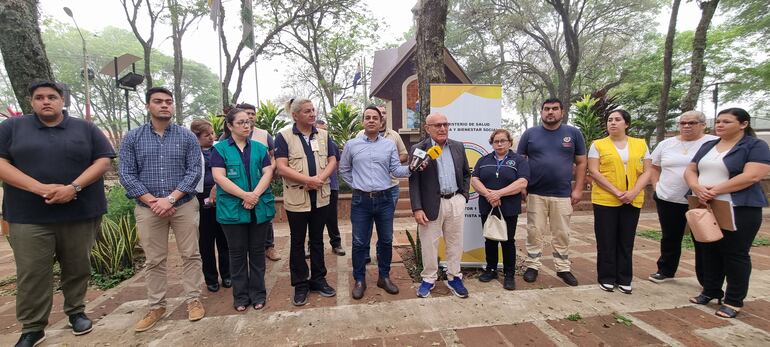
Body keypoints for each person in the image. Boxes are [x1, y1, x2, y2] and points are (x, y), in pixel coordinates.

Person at [0, 80, 114, 347]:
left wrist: (73, 187)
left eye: (52, 96)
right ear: (32, 102)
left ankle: (76, 312)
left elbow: (103, 160)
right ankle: (33, 327)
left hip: (79, 212)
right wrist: (38, 188)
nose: (46, 101)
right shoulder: (13, 128)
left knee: (78, 266)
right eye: (39, 97)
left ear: (63, 100)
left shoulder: (85, 129)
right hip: (29, 216)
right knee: (32, 272)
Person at [119, 87, 205, 332]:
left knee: (191, 254)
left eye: (169, 101)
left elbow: (193, 171)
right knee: (154, 259)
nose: (165, 105)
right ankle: (156, 305)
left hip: (183, 205)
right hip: (148, 209)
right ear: (148, 106)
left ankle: (193, 300)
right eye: (158, 102)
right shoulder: (133, 138)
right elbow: (126, 174)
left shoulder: (187, 136)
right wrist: (153, 201)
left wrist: (170, 199)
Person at [684, 108, 770, 319]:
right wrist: (697, 187)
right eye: (719, 121)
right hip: (705, 205)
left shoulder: (755, 145)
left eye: (727, 122)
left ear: (743, 124)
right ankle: (710, 290)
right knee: (708, 250)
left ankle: (733, 300)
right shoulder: (709, 145)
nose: (720, 125)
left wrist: (715, 190)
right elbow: (691, 169)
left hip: (738, 207)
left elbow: (753, 175)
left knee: (735, 253)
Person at [339, 106, 411, 299]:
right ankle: (360, 280)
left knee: (386, 240)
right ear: (363, 121)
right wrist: (357, 184)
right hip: (360, 201)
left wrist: (412, 168)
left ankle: (384, 277)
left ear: (381, 122)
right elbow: (344, 169)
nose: (371, 120)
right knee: (359, 242)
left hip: (385, 199)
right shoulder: (351, 145)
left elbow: (396, 170)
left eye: (375, 118)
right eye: (367, 117)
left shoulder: (389, 145)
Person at [275, 98, 339, 306]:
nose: (312, 114)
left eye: (313, 110)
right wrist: (307, 180)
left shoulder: (323, 135)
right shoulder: (284, 137)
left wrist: (320, 179)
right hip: (297, 198)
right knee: (297, 241)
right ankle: (301, 284)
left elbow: (332, 160)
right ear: (295, 115)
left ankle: (319, 279)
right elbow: (281, 167)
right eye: (306, 111)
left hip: (320, 197)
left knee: (318, 240)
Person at [516, 98, 586, 286]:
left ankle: (563, 267)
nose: (550, 112)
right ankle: (532, 266)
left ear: (562, 112)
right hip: (535, 193)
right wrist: (522, 185)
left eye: (555, 109)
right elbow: (520, 160)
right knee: (534, 231)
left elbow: (581, 162)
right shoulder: (530, 134)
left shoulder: (573, 134)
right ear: (541, 112)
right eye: (546, 109)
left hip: (563, 194)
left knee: (562, 233)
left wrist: (578, 189)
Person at [211, 108, 275, 311]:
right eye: (241, 122)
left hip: (258, 208)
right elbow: (219, 177)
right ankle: (240, 297)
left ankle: (258, 294)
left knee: (257, 252)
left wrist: (254, 194)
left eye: (248, 122)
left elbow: (267, 172)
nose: (247, 125)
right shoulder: (220, 149)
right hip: (233, 209)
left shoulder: (258, 147)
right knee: (237, 254)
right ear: (230, 126)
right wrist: (245, 195)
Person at [587, 109, 652, 294]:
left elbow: (647, 171)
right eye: (609, 120)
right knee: (606, 239)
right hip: (606, 199)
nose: (613, 123)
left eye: (617, 120)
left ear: (627, 124)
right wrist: (616, 191)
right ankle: (606, 277)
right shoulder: (598, 145)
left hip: (632, 199)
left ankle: (624, 278)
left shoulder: (640, 144)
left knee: (626, 239)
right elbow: (594, 171)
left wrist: (633, 192)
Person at [648, 111, 717, 283]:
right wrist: (657, 187)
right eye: (683, 123)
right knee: (670, 236)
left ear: (703, 124)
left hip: (700, 199)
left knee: (702, 238)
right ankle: (665, 270)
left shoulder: (712, 143)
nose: (686, 126)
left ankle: (706, 279)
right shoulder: (666, 144)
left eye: (692, 123)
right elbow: (654, 167)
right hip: (668, 197)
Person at [409, 113, 471, 298]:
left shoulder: (458, 147)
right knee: (429, 244)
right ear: (427, 128)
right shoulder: (419, 149)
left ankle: (454, 277)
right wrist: (417, 208)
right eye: (437, 125)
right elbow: (414, 182)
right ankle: (428, 279)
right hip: (429, 205)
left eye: (445, 124)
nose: (442, 128)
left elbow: (467, 174)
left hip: (455, 202)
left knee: (455, 243)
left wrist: (463, 197)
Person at [470, 129, 529, 290]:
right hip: (487, 206)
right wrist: (489, 195)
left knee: (508, 241)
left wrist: (498, 194)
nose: (500, 144)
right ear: (492, 143)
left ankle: (509, 274)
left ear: (510, 142)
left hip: (508, 208)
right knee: (490, 239)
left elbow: (522, 182)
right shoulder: (483, 160)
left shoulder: (518, 160)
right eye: (496, 141)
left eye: (503, 140)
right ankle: (491, 269)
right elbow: (474, 180)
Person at [355, 105, 408, 264]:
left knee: (385, 225)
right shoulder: (359, 135)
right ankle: (364, 253)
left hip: (390, 187)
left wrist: (390, 161)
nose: (380, 116)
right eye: (370, 116)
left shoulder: (394, 136)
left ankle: (381, 253)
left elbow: (404, 154)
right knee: (365, 223)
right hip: (366, 189)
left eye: (383, 113)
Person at [236, 102, 282, 262]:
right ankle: (247, 249)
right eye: (246, 114)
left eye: (252, 114)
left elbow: (274, 156)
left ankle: (269, 247)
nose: (249, 117)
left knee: (265, 216)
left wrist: (269, 172)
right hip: (238, 187)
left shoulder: (265, 135)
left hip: (262, 183)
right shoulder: (228, 136)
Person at [190, 119, 231, 292]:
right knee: (206, 241)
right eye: (207, 135)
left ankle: (227, 275)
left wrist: (218, 185)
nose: (211, 137)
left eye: (212, 133)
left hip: (221, 195)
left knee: (224, 238)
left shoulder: (219, 148)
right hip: (200, 198)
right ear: (196, 137)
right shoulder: (191, 151)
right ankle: (211, 278)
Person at [314, 119, 345, 256]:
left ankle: (336, 243)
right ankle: (312, 245)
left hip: (331, 186)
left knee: (331, 217)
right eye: (320, 129)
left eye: (325, 130)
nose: (323, 132)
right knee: (313, 219)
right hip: (313, 187)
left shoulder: (332, 145)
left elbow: (336, 164)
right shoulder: (309, 145)